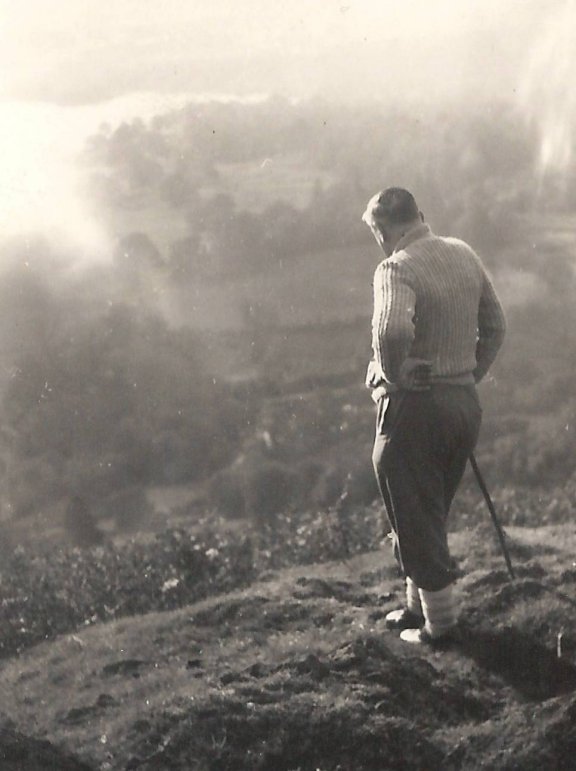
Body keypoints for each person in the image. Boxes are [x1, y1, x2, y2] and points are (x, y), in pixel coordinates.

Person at [362, 187, 506, 645]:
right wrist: (468, 373)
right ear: (420, 216)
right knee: (425, 511)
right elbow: (496, 325)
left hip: (416, 411)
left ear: (384, 231)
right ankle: (414, 608)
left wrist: (395, 374)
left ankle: (440, 631)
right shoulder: (463, 253)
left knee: (413, 507)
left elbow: (390, 330)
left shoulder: (395, 267)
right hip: (464, 405)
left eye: (377, 235)